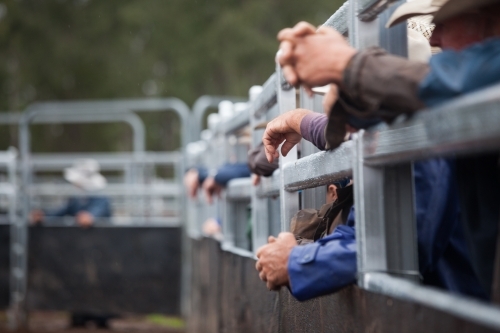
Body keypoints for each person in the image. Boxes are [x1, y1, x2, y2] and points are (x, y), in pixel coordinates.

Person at [258, 0, 500, 300]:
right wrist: (306, 116)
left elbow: (400, 243)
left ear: (491, 22)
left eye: (446, 23)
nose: (433, 37)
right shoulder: (439, 111)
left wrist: (297, 261)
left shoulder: (426, 134)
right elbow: (355, 124)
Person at [30, 159, 111, 227]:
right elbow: (63, 210)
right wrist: (45, 216)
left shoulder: (101, 197)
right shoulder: (76, 198)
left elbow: (97, 212)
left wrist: (90, 217)